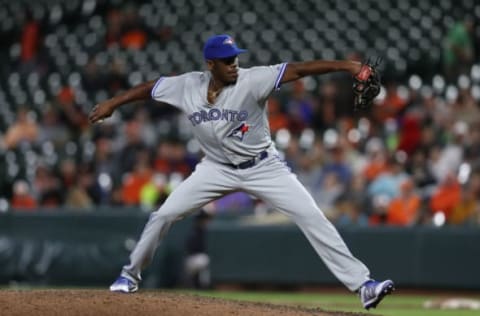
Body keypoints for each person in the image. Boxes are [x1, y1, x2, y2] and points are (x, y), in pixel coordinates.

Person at [88, 34, 394, 310]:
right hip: (215, 168)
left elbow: (300, 69)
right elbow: (150, 88)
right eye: (227, 61)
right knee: (165, 215)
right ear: (210, 64)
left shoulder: (253, 79)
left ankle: (363, 285)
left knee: (312, 216)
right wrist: (114, 103)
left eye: (235, 58)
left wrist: (348, 66)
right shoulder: (187, 85)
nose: (234, 64)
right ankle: (129, 276)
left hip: (263, 167)